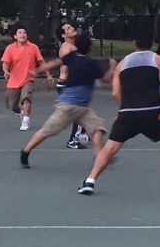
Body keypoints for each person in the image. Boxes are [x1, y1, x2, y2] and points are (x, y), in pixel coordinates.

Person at [77, 26, 160, 196]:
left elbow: (115, 92)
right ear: (153, 43)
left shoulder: (122, 64)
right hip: (153, 111)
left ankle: (89, 181)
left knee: (109, 148)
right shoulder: (159, 61)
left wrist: (124, 108)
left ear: (134, 43)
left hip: (127, 113)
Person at [19, 32, 117, 169]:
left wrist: (37, 70)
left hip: (82, 107)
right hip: (69, 106)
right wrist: (113, 67)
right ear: (89, 48)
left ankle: (99, 157)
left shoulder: (72, 57)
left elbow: (54, 62)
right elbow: (107, 80)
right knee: (48, 130)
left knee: (97, 128)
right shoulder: (91, 64)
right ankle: (25, 151)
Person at [1, 25, 54, 131]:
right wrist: (6, 71)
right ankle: (20, 113)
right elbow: (5, 62)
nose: (22, 35)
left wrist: (48, 74)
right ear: (15, 36)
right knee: (12, 105)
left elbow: (41, 62)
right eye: (20, 33)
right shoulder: (10, 48)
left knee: (26, 98)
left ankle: (25, 120)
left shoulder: (33, 47)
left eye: (24, 32)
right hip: (14, 80)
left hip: (28, 78)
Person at [55, 22, 87, 149]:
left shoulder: (73, 46)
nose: (72, 28)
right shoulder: (66, 47)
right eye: (68, 28)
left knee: (81, 109)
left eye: (71, 26)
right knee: (79, 112)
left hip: (72, 84)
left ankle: (83, 131)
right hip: (67, 84)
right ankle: (73, 140)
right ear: (64, 35)